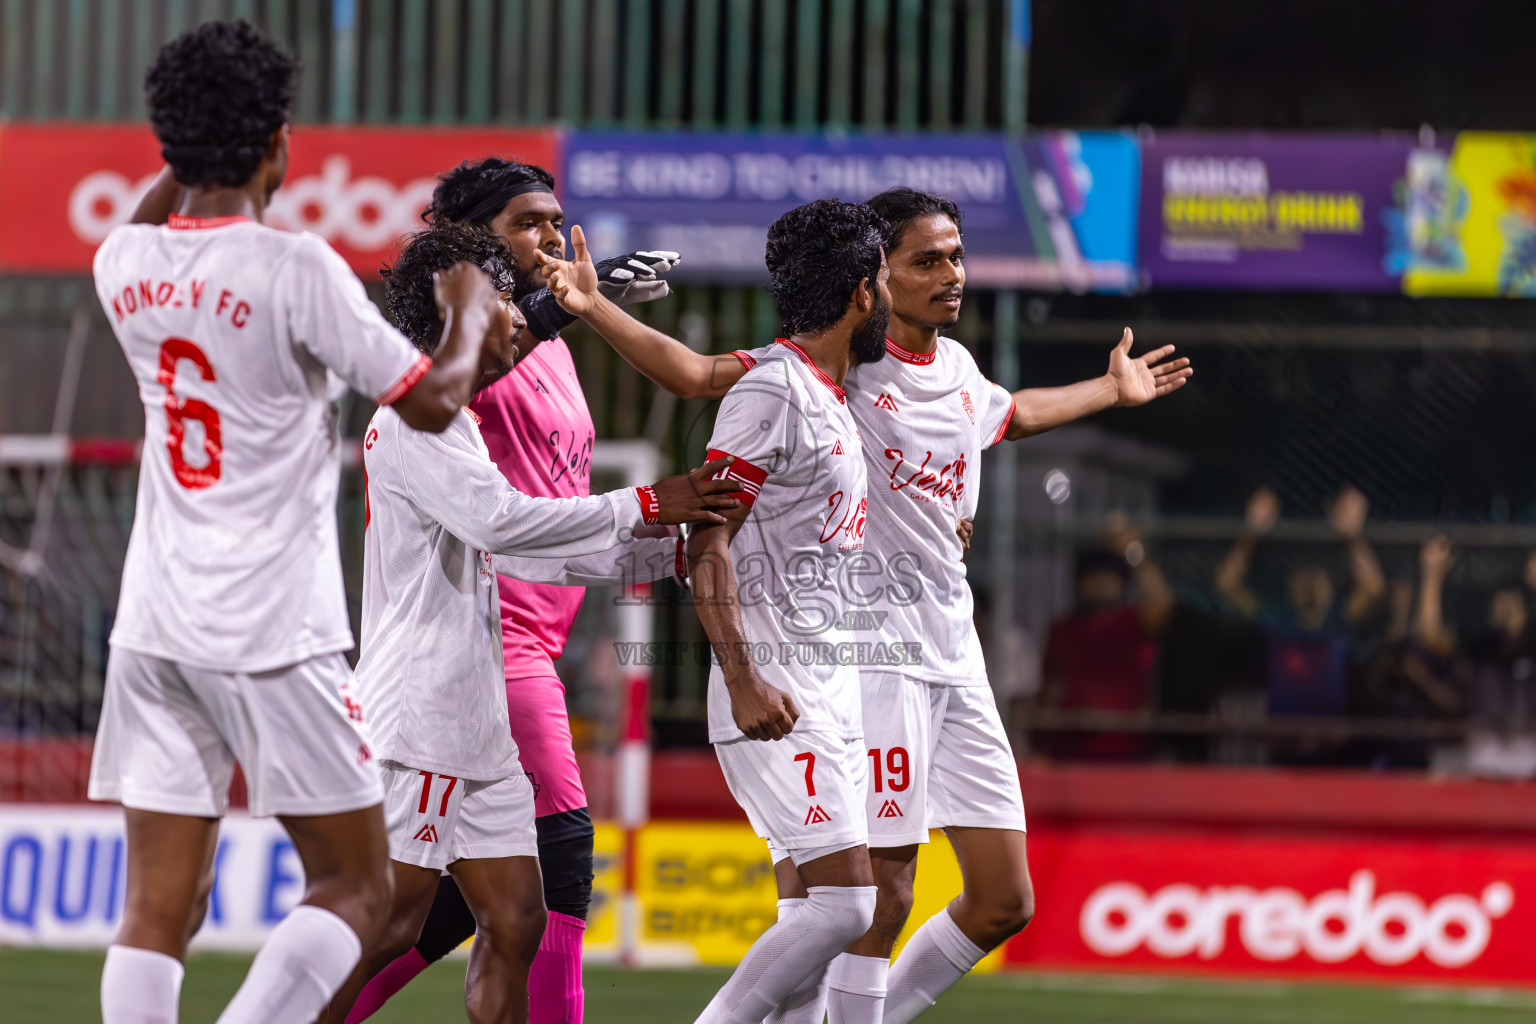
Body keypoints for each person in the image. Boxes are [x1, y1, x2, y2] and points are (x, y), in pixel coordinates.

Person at [573, 187, 1191, 1023]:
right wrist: (590, 307)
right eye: (926, 260)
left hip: (954, 656)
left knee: (1005, 898)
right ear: (875, 279)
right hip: (868, 655)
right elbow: (696, 375)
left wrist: (1110, 392)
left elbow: (1010, 416)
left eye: (958, 255)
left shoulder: (961, 371)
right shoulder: (837, 374)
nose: (952, 274)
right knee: (874, 896)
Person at [85, 21, 507, 1024]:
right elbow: (436, 400)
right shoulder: (296, 269)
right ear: (278, 142)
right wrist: (471, 308)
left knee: (158, 906)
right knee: (358, 888)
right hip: (273, 629)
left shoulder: (121, 262)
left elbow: (156, 211)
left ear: (172, 142)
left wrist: (191, 141)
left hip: (152, 627)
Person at [321, 223, 738, 1024]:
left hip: (474, 725)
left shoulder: (453, 417)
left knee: (518, 918)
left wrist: (662, 557)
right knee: (390, 923)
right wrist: (649, 503)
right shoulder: (420, 415)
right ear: (468, 308)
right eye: (508, 299)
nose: (524, 318)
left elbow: (521, 553)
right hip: (423, 715)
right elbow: (502, 523)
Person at [1215, 486, 1387, 756]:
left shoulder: (1337, 617)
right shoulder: (1278, 619)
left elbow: (1373, 587)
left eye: (1317, 578)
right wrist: (1250, 533)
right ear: (1289, 588)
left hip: (1331, 736)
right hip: (1285, 734)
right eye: (1301, 577)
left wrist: (1353, 538)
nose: (1309, 582)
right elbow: (1227, 583)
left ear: (1330, 588)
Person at [1037, 524, 1175, 762]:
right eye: (1092, 577)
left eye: (1107, 577)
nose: (1099, 583)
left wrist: (1134, 553)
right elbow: (1048, 690)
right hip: (1070, 752)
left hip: (1128, 751)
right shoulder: (1063, 629)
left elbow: (1162, 604)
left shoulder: (1134, 622)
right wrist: (1041, 746)